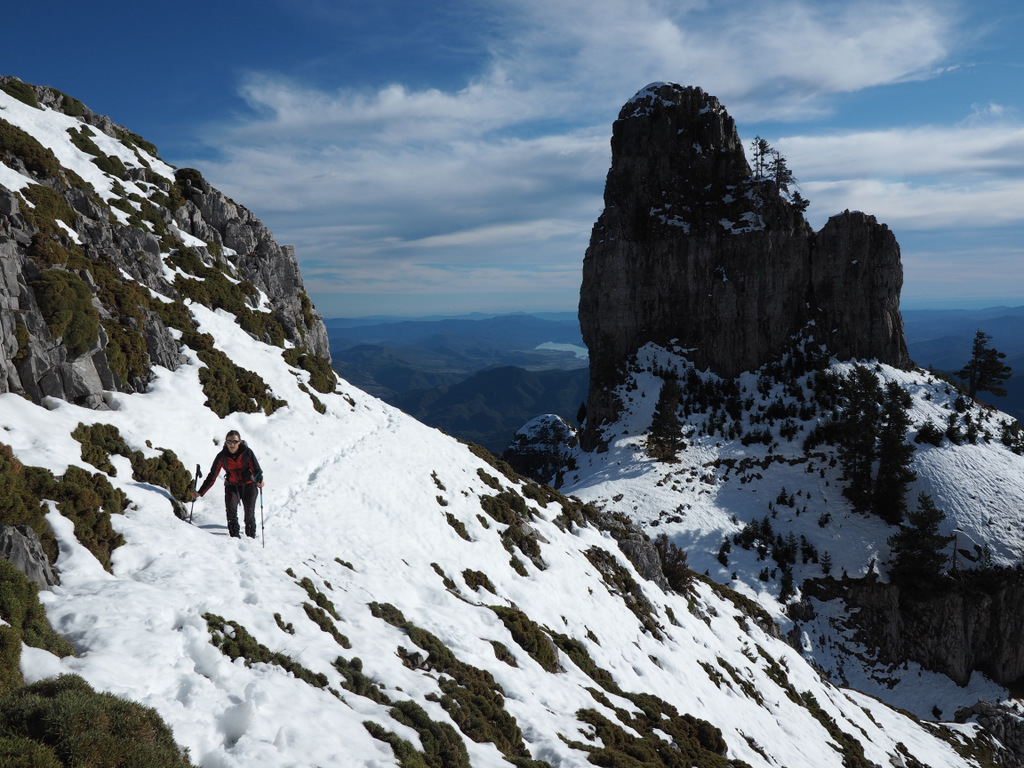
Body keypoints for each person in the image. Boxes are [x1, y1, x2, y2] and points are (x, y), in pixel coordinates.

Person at [192, 430, 265, 538]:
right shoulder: (222, 456)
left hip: (249, 485)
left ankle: (251, 539)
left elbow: (256, 469)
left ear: (239, 442)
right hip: (232, 486)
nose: (232, 444)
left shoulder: (247, 452)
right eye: (229, 441)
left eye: (235, 441)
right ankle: (234, 538)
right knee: (231, 513)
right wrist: (200, 492)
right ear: (225, 442)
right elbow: (212, 475)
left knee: (249, 514)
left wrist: (259, 480)